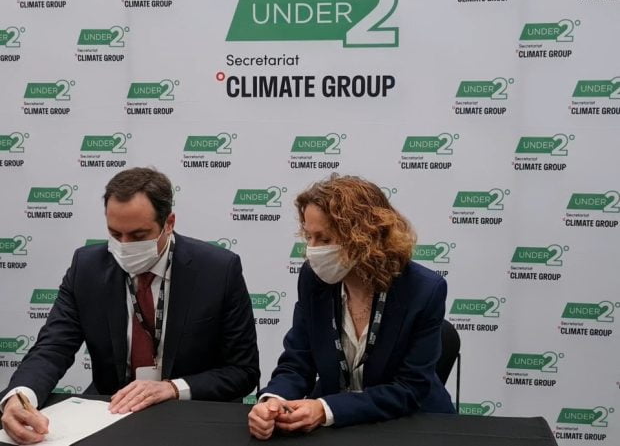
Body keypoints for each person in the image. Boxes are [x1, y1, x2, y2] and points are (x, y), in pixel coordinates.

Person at [1, 167, 259, 444]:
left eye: (138, 236)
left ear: (169, 223)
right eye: (115, 234)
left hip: (191, 414)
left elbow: (242, 371)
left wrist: (173, 388)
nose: (124, 246)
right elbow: (52, 347)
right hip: (109, 410)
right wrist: (20, 396)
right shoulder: (87, 268)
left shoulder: (218, 271)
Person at [248, 175, 454, 439]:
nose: (311, 250)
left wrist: (325, 409)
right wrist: (273, 401)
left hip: (409, 424)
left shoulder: (423, 290)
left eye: (324, 239)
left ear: (364, 238)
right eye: (308, 237)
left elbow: (409, 389)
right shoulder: (313, 279)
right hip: (336, 427)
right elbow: (298, 360)